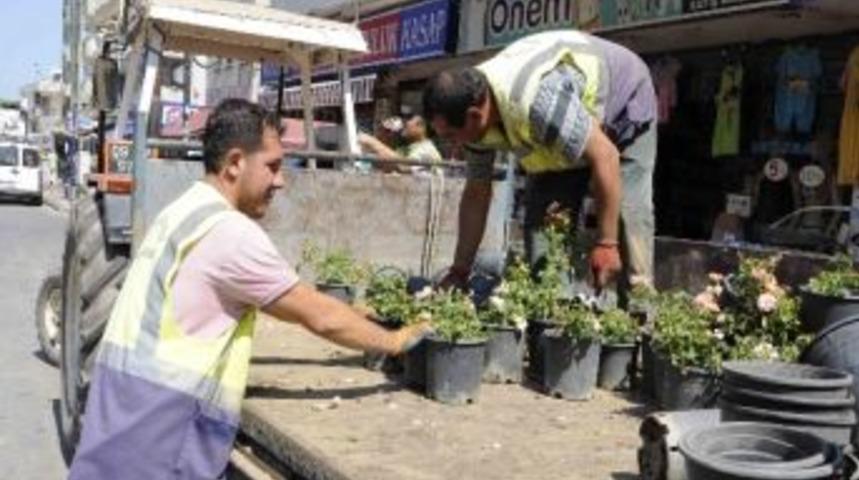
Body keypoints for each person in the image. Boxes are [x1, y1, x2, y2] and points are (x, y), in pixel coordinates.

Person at [68, 99, 429, 480]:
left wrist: (360, 314)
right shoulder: (231, 234)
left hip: (120, 433)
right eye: (272, 166)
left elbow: (287, 297)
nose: (281, 180)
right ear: (236, 162)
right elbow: (319, 316)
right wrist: (395, 341)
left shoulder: (182, 211)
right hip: (161, 441)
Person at [423, 30, 657, 295]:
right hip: (562, 135)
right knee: (543, 248)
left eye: (452, 136)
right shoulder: (471, 114)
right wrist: (459, 271)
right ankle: (553, 319)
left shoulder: (537, 103)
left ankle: (639, 313)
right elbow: (477, 193)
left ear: (475, 115)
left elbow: (606, 156)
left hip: (621, 94)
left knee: (627, 222)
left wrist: (606, 243)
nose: (453, 145)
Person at [359, 114, 442, 173]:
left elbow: (404, 166)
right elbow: (388, 164)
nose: (404, 123)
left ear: (421, 127)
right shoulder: (404, 149)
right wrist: (384, 134)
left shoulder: (427, 149)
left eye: (409, 119)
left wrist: (372, 142)